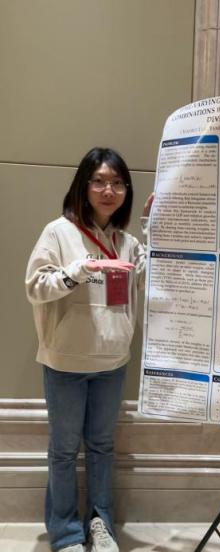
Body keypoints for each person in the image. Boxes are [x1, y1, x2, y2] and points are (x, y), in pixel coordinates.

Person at [25, 147, 154, 552]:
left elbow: (153, 277)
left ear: (126, 191)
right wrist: (80, 270)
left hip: (112, 363)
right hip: (65, 363)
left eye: (117, 183)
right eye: (99, 181)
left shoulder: (127, 243)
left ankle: (100, 523)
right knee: (64, 451)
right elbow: (35, 287)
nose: (108, 190)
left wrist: (154, 230)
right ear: (83, 185)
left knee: (101, 447)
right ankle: (66, 535)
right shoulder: (57, 232)